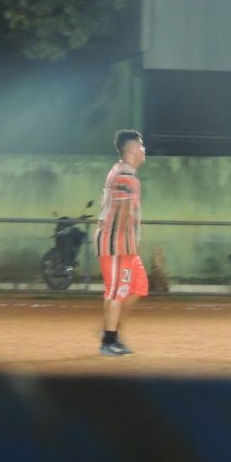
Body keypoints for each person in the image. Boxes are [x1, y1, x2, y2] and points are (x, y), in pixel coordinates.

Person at [94, 129, 148, 357]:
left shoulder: (120, 171)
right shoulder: (126, 175)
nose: (144, 150)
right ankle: (109, 340)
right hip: (116, 244)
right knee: (117, 291)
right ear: (132, 150)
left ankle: (111, 328)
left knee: (139, 286)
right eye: (141, 146)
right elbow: (123, 211)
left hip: (124, 244)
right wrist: (124, 243)